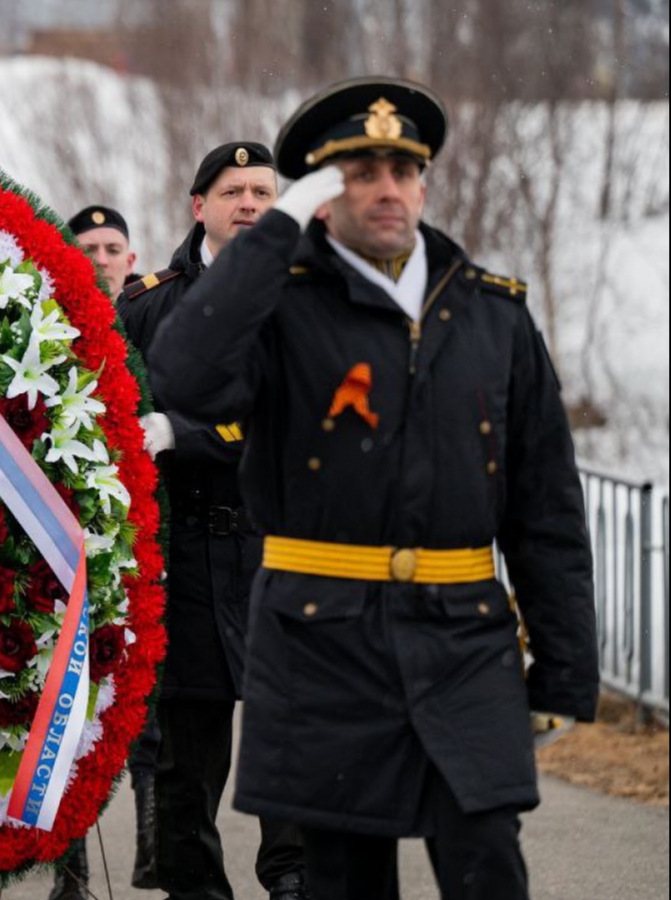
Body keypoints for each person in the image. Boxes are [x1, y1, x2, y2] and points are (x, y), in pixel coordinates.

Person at [149, 77, 598, 900]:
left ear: (424, 182)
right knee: (344, 881)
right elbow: (182, 375)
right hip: (323, 648)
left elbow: (546, 505)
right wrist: (274, 230)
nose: (386, 189)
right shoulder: (280, 304)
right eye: (359, 172)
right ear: (323, 194)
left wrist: (566, 670)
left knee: (489, 867)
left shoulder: (492, 314)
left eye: (402, 169)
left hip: (463, 643)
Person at [118, 141, 307, 900]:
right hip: (185, 551)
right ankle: (194, 887)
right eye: (234, 191)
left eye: (264, 190)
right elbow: (114, 424)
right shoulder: (149, 305)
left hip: (276, 545)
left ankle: (293, 878)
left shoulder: (305, 299)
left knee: (288, 730)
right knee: (184, 751)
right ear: (200, 206)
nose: (252, 204)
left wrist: (187, 435)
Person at [68, 205, 138, 302]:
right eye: (88, 251)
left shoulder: (157, 315)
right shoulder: (43, 313)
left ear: (129, 262)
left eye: (113, 251)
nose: (101, 261)